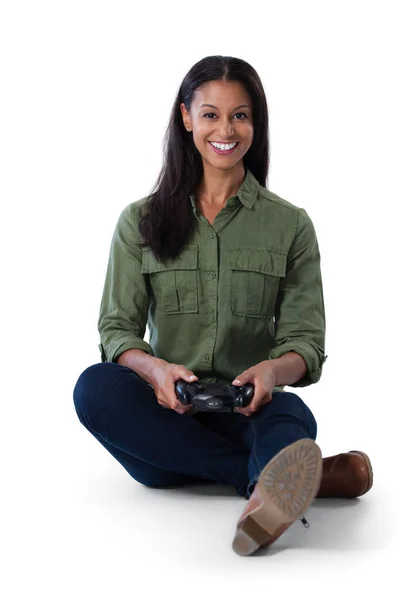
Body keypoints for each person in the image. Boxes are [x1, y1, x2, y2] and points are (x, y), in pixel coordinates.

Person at [73, 55, 373, 556]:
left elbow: (305, 341)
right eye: (211, 114)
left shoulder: (291, 225)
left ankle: (273, 481)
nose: (226, 130)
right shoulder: (139, 222)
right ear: (186, 117)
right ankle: (278, 482)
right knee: (94, 388)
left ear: (256, 123)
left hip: (249, 410)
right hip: (166, 423)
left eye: (241, 115)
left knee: (290, 414)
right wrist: (157, 371)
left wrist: (273, 373)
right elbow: (116, 330)